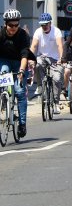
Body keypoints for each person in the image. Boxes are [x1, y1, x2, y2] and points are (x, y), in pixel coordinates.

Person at [0, 9, 33, 138]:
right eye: (11, 25)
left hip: (19, 62)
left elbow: (25, 55)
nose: (13, 28)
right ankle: (4, 98)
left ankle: (22, 124)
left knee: (19, 91)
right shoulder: (1, 34)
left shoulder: (23, 35)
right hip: (4, 60)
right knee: (3, 72)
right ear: (5, 24)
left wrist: (22, 71)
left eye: (16, 25)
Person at [30, 13, 64, 115]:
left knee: (57, 79)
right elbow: (34, 46)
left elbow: (60, 45)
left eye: (46, 24)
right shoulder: (38, 32)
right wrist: (30, 58)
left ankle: (56, 103)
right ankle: (40, 86)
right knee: (37, 64)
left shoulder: (56, 31)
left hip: (55, 59)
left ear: (50, 23)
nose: (44, 26)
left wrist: (61, 58)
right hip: (42, 57)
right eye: (42, 25)